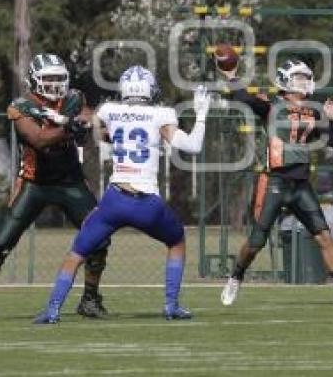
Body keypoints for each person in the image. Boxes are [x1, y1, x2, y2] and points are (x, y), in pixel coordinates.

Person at [33, 66, 208, 323]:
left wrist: (62, 119)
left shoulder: (109, 111)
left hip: (114, 200)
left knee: (76, 255)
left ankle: (52, 310)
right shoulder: (161, 114)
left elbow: (95, 130)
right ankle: (171, 305)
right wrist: (202, 114)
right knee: (176, 242)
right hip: (147, 202)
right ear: (150, 90)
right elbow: (191, 146)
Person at [0, 54, 108, 322]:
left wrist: (96, 124)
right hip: (34, 183)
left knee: (99, 238)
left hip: (70, 181)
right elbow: (38, 140)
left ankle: (90, 298)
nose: (53, 83)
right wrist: (70, 129)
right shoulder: (21, 106)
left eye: (58, 78)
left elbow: (92, 120)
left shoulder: (74, 98)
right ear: (35, 80)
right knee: (1, 241)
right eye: (48, 78)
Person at [219, 58, 333, 307]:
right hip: (275, 181)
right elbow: (244, 99)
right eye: (299, 78)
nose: (305, 83)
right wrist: (231, 76)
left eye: (305, 78)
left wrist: (331, 119)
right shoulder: (271, 105)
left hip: (301, 184)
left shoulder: (312, 110)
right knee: (257, 241)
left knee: (324, 236)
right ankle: (236, 276)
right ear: (285, 81)